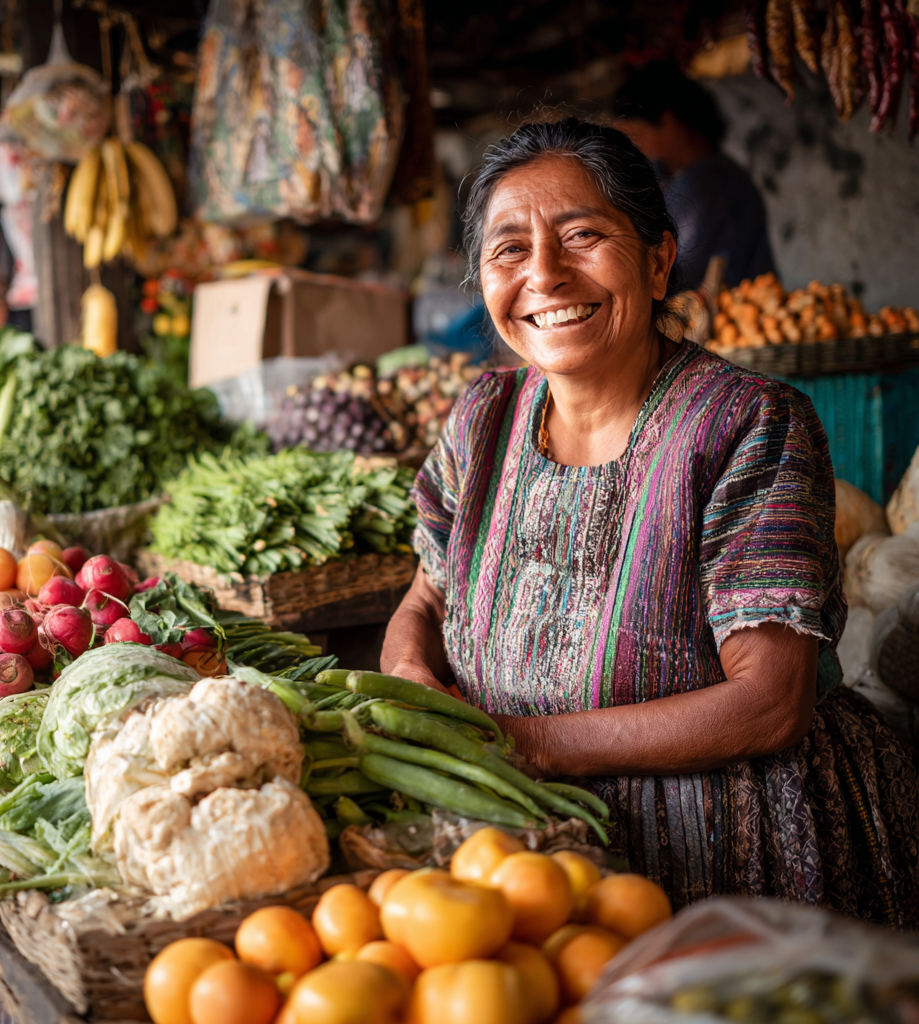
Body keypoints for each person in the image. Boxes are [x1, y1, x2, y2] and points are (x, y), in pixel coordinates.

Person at [380, 117, 919, 925]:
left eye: (582, 235)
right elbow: (425, 598)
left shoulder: (748, 424)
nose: (546, 275)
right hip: (528, 857)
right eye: (509, 250)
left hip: (732, 860)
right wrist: (408, 682)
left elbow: (770, 703)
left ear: (659, 260)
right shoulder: (483, 418)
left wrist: (524, 742)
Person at [614, 60, 776, 289]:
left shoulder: (708, 182)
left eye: (634, 137)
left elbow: (676, 271)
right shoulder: (678, 176)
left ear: (667, 123)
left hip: (733, 317)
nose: (636, 151)